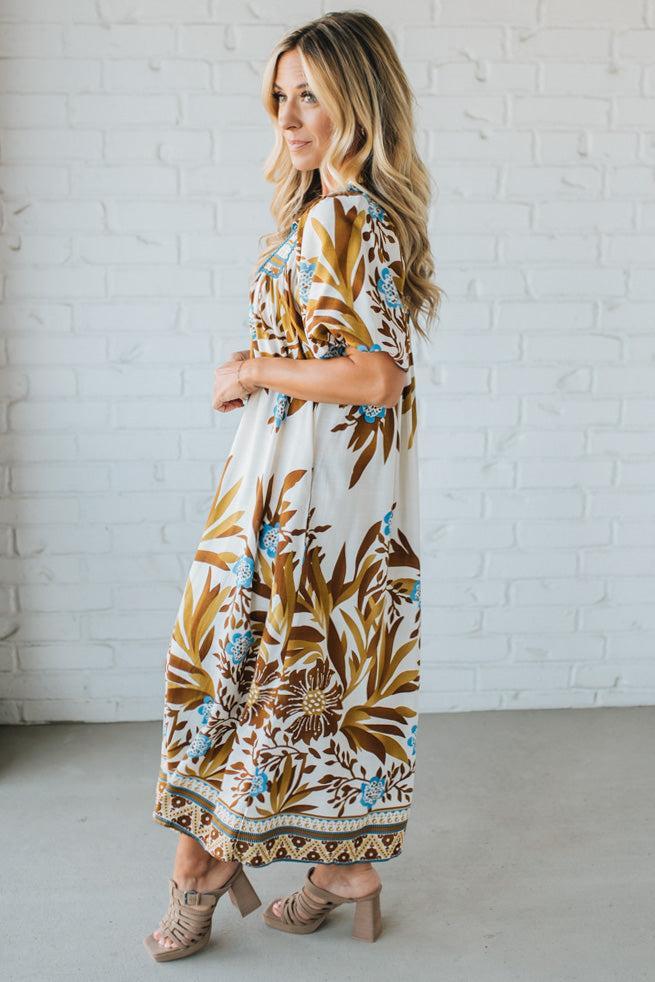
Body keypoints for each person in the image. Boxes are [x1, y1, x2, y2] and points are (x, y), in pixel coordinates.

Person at [144, 9, 441, 963]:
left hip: (307, 505)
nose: (288, 114)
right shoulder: (351, 211)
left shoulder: (344, 214)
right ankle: (343, 871)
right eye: (279, 95)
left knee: (239, 673)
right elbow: (344, 357)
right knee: (291, 676)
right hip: (328, 494)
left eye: (310, 93)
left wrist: (260, 373)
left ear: (360, 99)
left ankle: (198, 874)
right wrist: (261, 362)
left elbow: (372, 375)